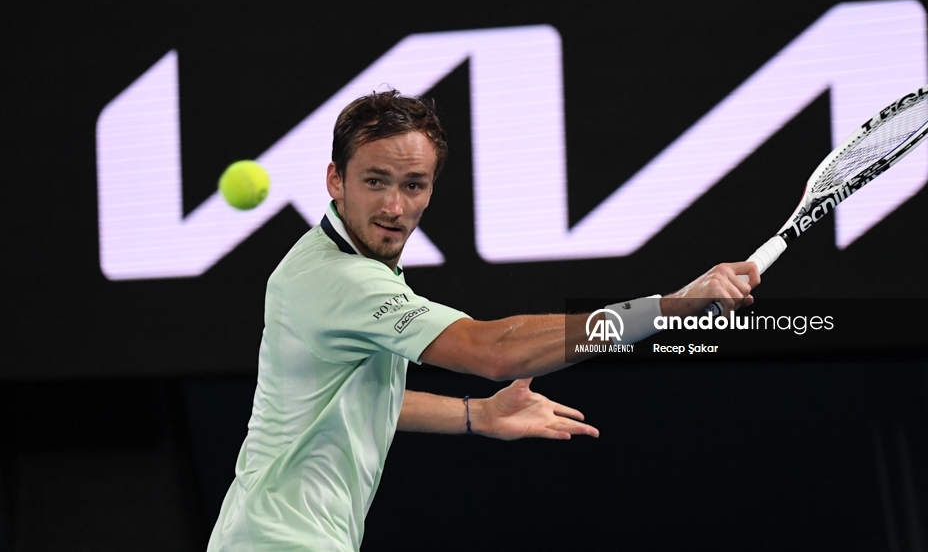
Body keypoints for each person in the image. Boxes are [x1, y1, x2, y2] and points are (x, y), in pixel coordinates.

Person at [208, 90, 759, 551]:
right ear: (336, 180)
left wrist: (478, 416)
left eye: (413, 185)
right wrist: (664, 308)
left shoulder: (337, 263)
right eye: (375, 181)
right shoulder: (340, 280)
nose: (394, 207)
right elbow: (493, 351)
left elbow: (355, 399)